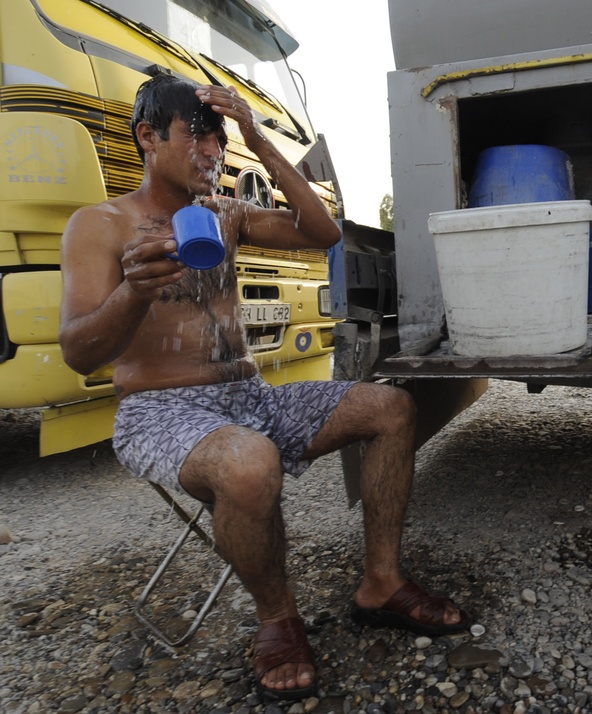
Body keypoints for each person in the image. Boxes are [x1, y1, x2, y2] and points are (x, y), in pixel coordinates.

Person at [58, 74, 470, 701]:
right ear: (148, 137)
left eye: (220, 139)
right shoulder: (100, 225)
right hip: (160, 411)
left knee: (393, 405)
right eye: (197, 135)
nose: (211, 151)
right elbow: (78, 351)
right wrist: (131, 292)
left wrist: (257, 134)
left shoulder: (225, 214)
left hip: (247, 396)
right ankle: (278, 619)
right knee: (250, 463)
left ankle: (381, 581)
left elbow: (323, 233)